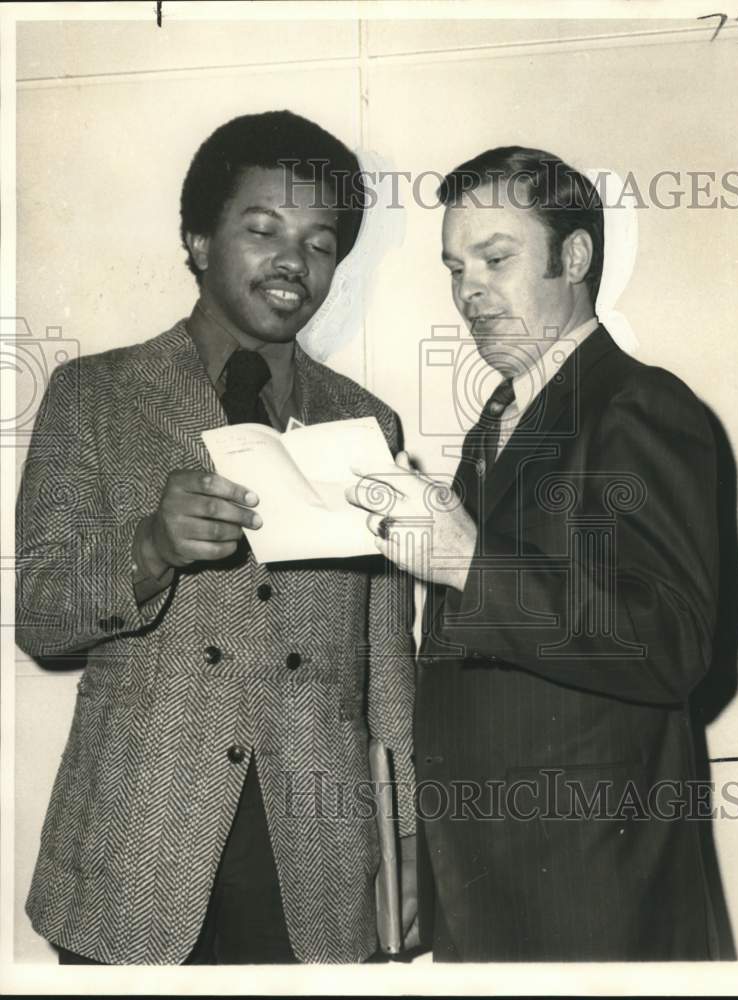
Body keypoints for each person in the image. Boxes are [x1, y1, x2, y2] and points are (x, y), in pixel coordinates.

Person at [16, 111, 416, 965]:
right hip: (136, 856)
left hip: (317, 865)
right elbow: (40, 617)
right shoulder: (90, 395)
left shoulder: (368, 422)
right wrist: (148, 549)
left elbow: (389, 668)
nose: (293, 263)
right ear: (197, 240)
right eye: (262, 229)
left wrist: (410, 851)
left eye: (319, 242)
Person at [347, 145, 727, 960]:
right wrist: (425, 852)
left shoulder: (640, 405)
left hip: (594, 896)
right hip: (484, 884)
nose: (467, 291)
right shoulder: (502, 418)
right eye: (455, 267)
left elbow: (673, 644)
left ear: (575, 256)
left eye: (494, 257)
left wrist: (469, 566)